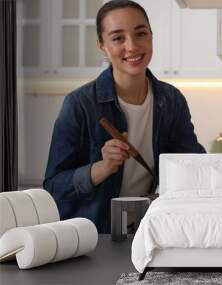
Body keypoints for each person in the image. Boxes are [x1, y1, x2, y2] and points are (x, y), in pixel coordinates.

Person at [43, 0, 205, 233]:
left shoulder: (171, 100)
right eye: (118, 38)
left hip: (148, 230)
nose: (132, 46)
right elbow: (53, 187)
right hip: (94, 238)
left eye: (141, 33)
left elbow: (192, 163)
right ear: (102, 46)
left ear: (151, 36)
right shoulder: (80, 104)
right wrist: (101, 167)